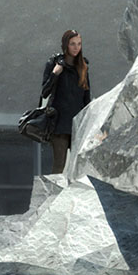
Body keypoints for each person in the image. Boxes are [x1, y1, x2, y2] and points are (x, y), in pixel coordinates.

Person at [41, 29, 91, 175]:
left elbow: (86, 95)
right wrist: (55, 73)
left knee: (79, 167)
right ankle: (55, 196)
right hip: (60, 123)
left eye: (79, 44)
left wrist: (88, 121)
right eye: (72, 44)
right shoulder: (54, 63)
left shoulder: (83, 66)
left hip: (78, 123)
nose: (76, 47)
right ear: (65, 45)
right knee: (59, 166)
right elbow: (45, 92)